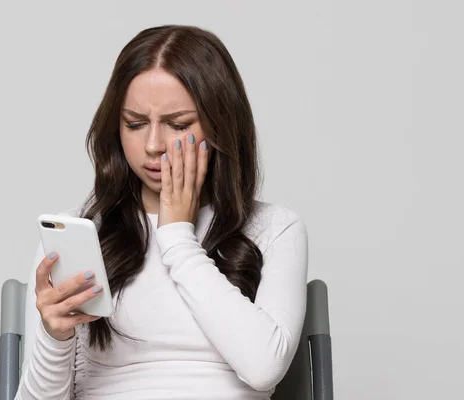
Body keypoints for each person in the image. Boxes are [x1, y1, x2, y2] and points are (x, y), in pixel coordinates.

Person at [15, 24, 308, 400]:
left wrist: (176, 236)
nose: (153, 145)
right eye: (134, 124)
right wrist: (55, 337)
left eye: (177, 124)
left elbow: (264, 368)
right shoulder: (82, 236)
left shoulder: (275, 229)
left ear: (220, 125)